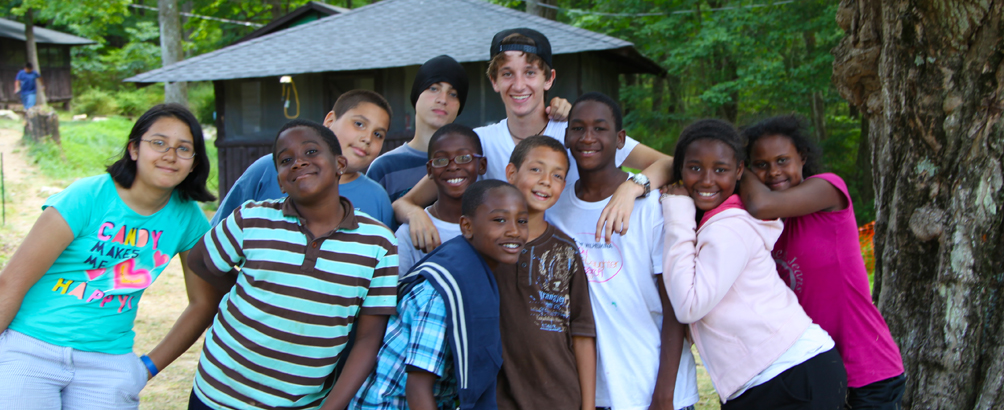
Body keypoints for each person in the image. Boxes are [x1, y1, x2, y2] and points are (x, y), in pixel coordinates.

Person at [0, 104, 216, 409]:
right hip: (31, 348)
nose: (170, 155)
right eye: (159, 143)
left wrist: (146, 369)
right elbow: (10, 283)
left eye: (184, 148)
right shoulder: (87, 196)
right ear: (133, 149)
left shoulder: (188, 219)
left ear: (194, 164)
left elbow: (204, 303)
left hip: (108, 363)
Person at [182, 120, 399, 410]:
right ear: (281, 181)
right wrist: (241, 291)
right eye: (286, 160)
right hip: (216, 393)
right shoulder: (251, 219)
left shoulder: (378, 243)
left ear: (340, 164)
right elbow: (198, 260)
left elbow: (369, 338)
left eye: (311, 152)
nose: (298, 162)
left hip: (301, 403)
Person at [393, 28, 669, 252]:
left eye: (530, 72)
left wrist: (630, 188)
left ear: (549, 79)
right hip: (506, 273)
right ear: (494, 81)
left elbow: (666, 163)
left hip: (576, 268)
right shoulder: (479, 142)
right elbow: (406, 202)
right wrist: (416, 215)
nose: (519, 85)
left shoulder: (577, 133)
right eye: (507, 74)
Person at [661, 118, 847, 409]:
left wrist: (677, 212)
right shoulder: (718, 221)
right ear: (680, 170)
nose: (707, 179)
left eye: (720, 170)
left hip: (789, 372)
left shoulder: (730, 226)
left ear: (739, 172)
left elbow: (688, 305)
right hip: (765, 377)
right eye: (695, 168)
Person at [740, 115, 905, 409]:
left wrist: (739, 166)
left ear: (802, 157)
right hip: (814, 372)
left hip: (867, 370)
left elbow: (761, 204)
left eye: (782, 160)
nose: (773, 172)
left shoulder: (828, 189)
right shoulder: (766, 228)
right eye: (760, 164)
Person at [548, 93, 699, 410]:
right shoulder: (555, 208)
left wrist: (664, 394)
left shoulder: (651, 206)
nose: (588, 138)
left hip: (655, 387)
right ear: (566, 136)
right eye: (578, 128)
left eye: (600, 128)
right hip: (593, 391)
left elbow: (674, 307)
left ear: (620, 139)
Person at [350, 179, 529, 410]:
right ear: (467, 226)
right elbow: (417, 389)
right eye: (499, 220)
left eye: (522, 221)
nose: (514, 231)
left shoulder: (473, 272)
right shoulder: (442, 292)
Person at [498, 135, 596, 410]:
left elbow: (582, 331)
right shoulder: (488, 246)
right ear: (511, 173)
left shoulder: (566, 250)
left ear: (563, 186)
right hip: (498, 399)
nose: (545, 181)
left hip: (560, 397)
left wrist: (588, 406)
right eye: (536, 169)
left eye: (557, 175)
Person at [212, 90, 395, 228]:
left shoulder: (378, 198)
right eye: (359, 124)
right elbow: (212, 241)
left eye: (378, 134)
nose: (367, 138)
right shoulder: (270, 168)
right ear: (330, 121)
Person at [395, 123, 485, 274]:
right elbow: (394, 293)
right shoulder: (409, 233)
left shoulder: (495, 225)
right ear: (429, 170)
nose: (453, 166)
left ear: (481, 165)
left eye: (463, 157)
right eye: (441, 160)